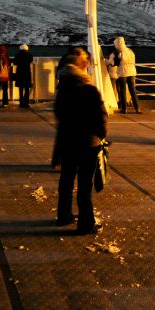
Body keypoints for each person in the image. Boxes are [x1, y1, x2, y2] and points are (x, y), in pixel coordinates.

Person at [50, 47, 107, 235]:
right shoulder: (89, 89)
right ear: (84, 67)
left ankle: (63, 215)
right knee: (84, 185)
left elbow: (58, 113)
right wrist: (101, 136)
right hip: (87, 143)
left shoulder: (63, 88)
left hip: (67, 140)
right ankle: (85, 223)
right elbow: (100, 117)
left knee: (66, 179)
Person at [108, 36, 140, 114]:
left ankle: (124, 109)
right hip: (132, 72)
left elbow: (112, 63)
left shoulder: (117, 52)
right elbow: (134, 60)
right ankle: (137, 108)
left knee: (122, 91)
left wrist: (107, 61)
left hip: (123, 72)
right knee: (132, 90)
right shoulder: (130, 51)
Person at [13, 43, 34, 108]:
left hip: (20, 73)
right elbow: (31, 60)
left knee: (21, 88)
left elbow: (15, 62)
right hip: (27, 73)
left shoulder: (18, 55)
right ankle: (26, 103)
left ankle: (21, 103)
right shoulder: (29, 55)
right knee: (27, 88)